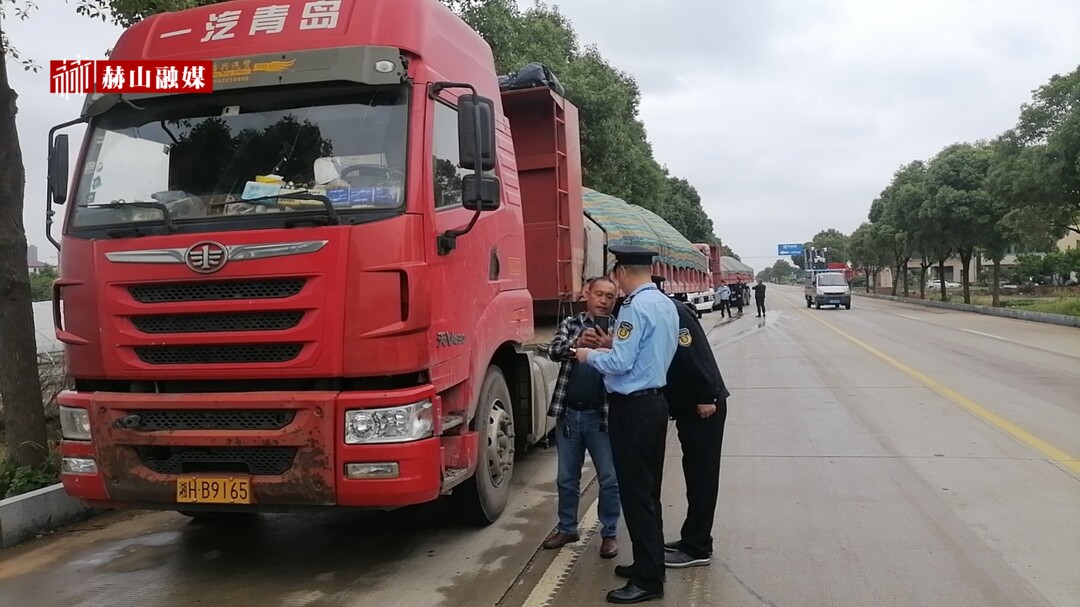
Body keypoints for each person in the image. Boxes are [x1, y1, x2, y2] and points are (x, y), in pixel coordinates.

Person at [574, 245, 679, 604]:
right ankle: (649, 564)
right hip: (654, 405)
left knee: (636, 495)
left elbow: (620, 362)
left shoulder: (634, 307)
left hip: (632, 410)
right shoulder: (664, 303)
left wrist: (589, 355)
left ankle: (649, 580)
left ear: (620, 272)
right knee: (648, 492)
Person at [543, 277, 621, 560]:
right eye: (599, 294)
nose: (603, 300)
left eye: (610, 296)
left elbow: (629, 361)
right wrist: (576, 346)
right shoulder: (571, 324)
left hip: (602, 416)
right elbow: (552, 351)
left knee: (610, 479)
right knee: (566, 478)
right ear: (587, 294)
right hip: (569, 414)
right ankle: (567, 528)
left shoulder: (620, 328)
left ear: (615, 299)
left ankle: (609, 533)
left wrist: (611, 345)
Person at [661, 297, 730, 569]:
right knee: (694, 474)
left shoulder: (675, 314)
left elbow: (696, 355)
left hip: (704, 407)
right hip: (690, 407)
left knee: (702, 477)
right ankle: (693, 537)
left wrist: (706, 397)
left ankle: (697, 547)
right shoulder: (668, 310)